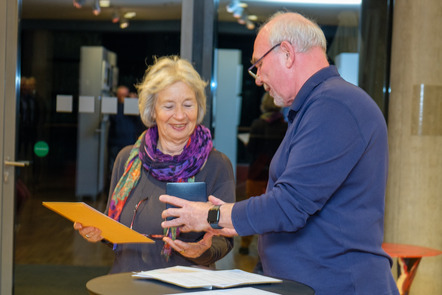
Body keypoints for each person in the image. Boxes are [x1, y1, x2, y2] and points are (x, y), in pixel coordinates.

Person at [160, 12, 399, 295]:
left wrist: (212, 216)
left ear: (286, 53)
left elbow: (290, 205)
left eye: (259, 65)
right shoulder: (315, 106)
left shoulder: (335, 104)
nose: (258, 79)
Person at [74, 56, 235, 273]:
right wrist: (97, 231)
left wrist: (201, 250)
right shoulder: (127, 160)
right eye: (169, 106)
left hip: (186, 287)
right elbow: (113, 224)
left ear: (199, 107)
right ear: (152, 110)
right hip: (127, 283)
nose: (180, 115)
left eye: (188, 105)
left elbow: (224, 238)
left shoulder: (216, 165)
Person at [239, 92, 287, 255]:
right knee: (273, 210)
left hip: (257, 172)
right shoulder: (285, 126)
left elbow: (251, 148)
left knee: (251, 209)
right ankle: (270, 248)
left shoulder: (257, 124)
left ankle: (244, 245)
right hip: (277, 176)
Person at [107, 85, 145, 174]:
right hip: (115, 143)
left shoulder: (132, 109)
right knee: (113, 169)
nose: (124, 98)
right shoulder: (114, 107)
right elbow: (114, 119)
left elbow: (141, 123)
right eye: (121, 95)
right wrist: (123, 104)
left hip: (129, 142)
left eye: (126, 95)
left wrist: (134, 104)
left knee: (128, 169)